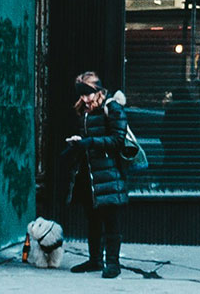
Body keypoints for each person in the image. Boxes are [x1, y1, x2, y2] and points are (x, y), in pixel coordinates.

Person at [65, 71, 129, 278]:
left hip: (109, 172)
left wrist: (91, 142)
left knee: (111, 220)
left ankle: (113, 263)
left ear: (97, 90)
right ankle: (95, 260)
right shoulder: (85, 110)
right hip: (90, 173)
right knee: (92, 218)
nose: (85, 99)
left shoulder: (112, 107)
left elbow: (118, 140)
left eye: (88, 94)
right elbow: (89, 136)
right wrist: (79, 141)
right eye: (82, 95)